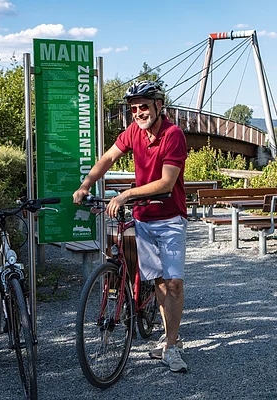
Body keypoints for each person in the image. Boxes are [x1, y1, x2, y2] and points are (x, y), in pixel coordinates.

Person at [73, 80, 188, 373]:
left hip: (170, 218)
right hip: (144, 219)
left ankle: (172, 347)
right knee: (159, 282)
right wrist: (86, 185)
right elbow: (108, 158)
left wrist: (125, 194)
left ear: (159, 106)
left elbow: (167, 182)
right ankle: (168, 339)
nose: (139, 112)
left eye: (144, 106)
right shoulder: (133, 132)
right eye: (134, 108)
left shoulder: (173, 135)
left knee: (173, 283)